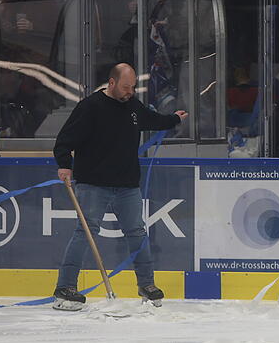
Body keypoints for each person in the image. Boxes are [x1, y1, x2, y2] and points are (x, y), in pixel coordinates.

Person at [51, 63, 188, 310]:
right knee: (85, 233)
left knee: (137, 233)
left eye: (133, 87)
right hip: (94, 184)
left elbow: (151, 119)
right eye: (126, 87)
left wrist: (172, 120)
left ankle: (147, 285)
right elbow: (64, 141)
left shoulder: (132, 106)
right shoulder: (90, 107)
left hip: (127, 185)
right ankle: (65, 288)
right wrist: (64, 164)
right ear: (112, 83)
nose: (130, 92)